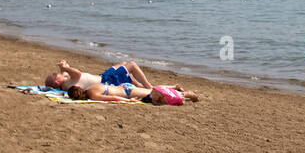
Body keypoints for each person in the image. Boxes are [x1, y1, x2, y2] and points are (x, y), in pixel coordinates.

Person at [45, 59, 152, 92]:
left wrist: (63, 65)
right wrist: (64, 68)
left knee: (123, 64)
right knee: (132, 65)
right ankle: (149, 87)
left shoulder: (65, 80)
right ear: (57, 82)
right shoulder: (68, 83)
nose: (56, 73)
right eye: (54, 75)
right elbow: (76, 73)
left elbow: (65, 71)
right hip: (106, 82)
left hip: (103, 76)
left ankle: (138, 85)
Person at [67, 82, 200, 104]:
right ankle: (174, 87)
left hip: (128, 91)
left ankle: (186, 94)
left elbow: (113, 98)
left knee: (154, 93)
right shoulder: (91, 87)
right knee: (152, 91)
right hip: (125, 87)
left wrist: (128, 101)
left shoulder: (92, 95)